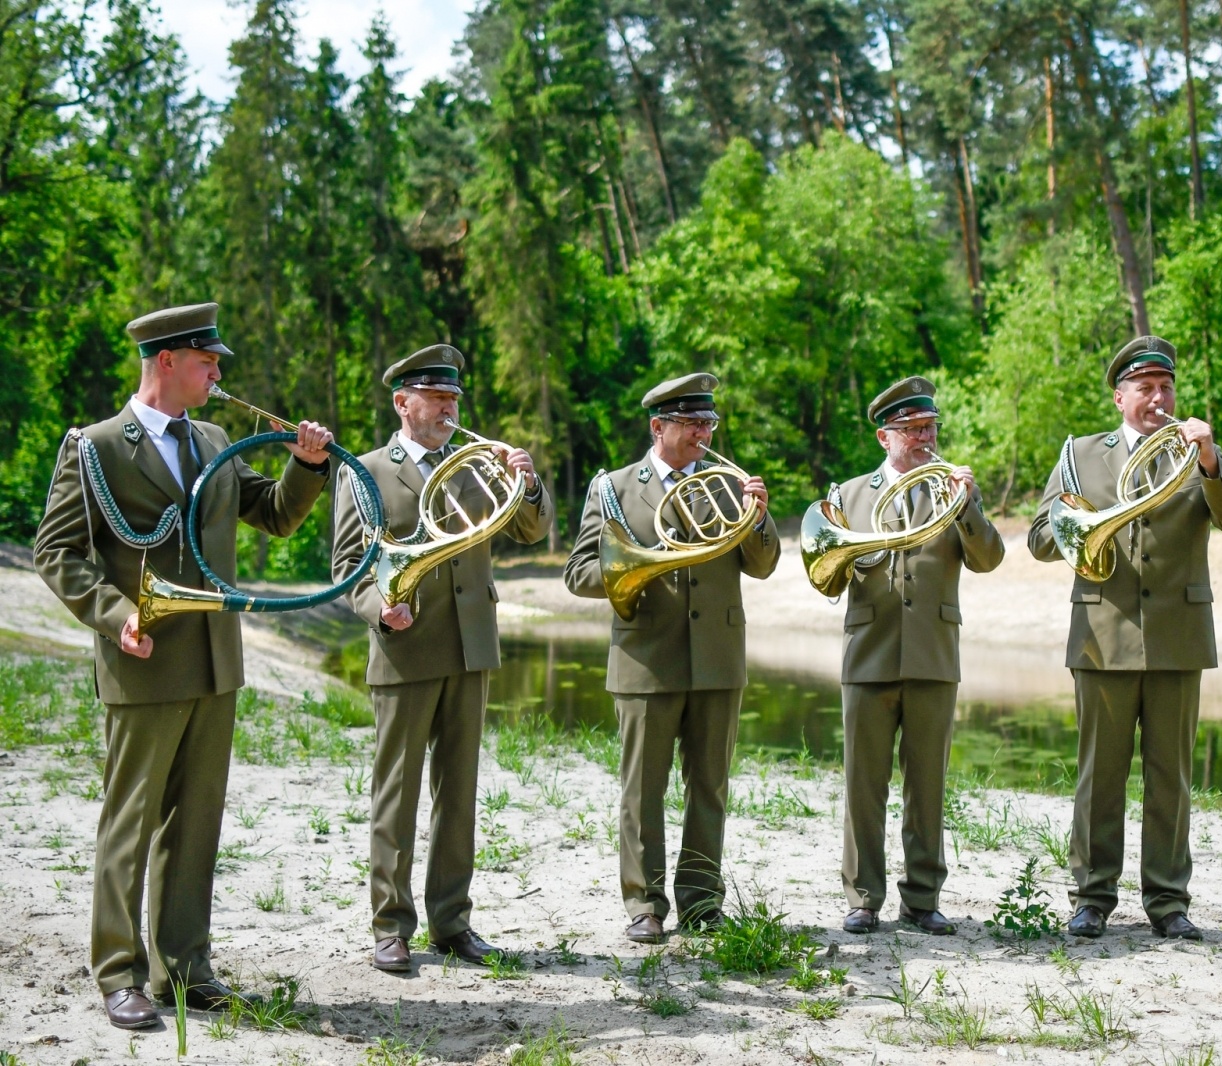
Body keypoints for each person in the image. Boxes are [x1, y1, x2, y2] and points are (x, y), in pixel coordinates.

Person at [33, 303, 332, 1030]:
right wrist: (114, 615)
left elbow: (274, 513)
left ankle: (185, 968)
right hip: (144, 661)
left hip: (214, 664)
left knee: (195, 824)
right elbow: (56, 551)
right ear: (166, 361)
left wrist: (307, 465)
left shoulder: (216, 438)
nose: (218, 372)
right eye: (208, 360)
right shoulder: (98, 446)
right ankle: (117, 972)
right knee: (129, 822)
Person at [1027, 335, 1222, 941]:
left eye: (1166, 387)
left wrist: (1210, 461)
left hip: (1178, 637)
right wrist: (1083, 530)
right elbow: (1038, 538)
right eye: (1145, 389)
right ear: (1119, 397)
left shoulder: (1195, 451)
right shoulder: (1080, 456)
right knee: (1098, 777)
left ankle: (1167, 901)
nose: (1158, 398)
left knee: (1170, 778)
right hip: (1102, 636)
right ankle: (1092, 898)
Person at [329, 344, 552, 973]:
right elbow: (350, 569)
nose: (451, 407)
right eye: (438, 396)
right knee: (395, 793)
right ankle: (390, 926)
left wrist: (528, 484)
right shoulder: (365, 470)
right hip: (405, 647)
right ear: (403, 403)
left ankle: (452, 922)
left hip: (471, 645)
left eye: (455, 397)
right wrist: (380, 610)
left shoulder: (479, 467)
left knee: (459, 793)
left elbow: (530, 532)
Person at [563, 373, 779, 944]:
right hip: (646, 659)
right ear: (658, 427)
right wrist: (643, 567)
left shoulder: (730, 486)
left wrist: (759, 518)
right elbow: (580, 572)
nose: (704, 434)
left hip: (717, 657)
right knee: (643, 788)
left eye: (709, 423)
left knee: (709, 787)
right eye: (691, 424)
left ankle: (703, 903)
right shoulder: (611, 488)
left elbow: (762, 565)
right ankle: (644, 905)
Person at [827, 376, 1005, 935]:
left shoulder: (953, 490)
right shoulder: (848, 494)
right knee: (864, 784)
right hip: (869, 651)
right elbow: (826, 576)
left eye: (930, 428)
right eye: (913, 430)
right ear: (886, 437)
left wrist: (970, 505)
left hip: (933, 651)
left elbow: (990, 559)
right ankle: (863, 898)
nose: (926, 438)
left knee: (927, 785)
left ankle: (922, 898)